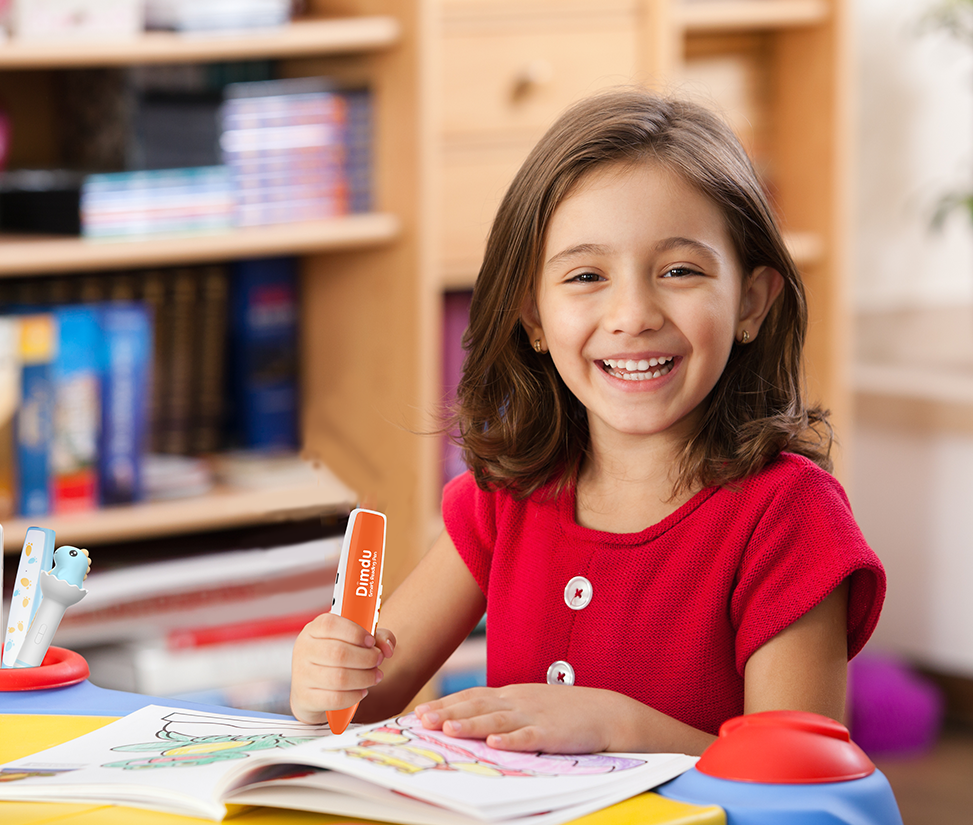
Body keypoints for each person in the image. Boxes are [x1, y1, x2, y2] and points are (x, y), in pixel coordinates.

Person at [289, 88, 886, 757]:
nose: (633, 315)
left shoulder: (792, 517)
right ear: (534, 316)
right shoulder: (505, 497)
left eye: (680, 270)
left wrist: (618, 728)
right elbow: (365, 698)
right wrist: (324, 679)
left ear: (750, 302)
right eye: (585, 276)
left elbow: (797, 772)